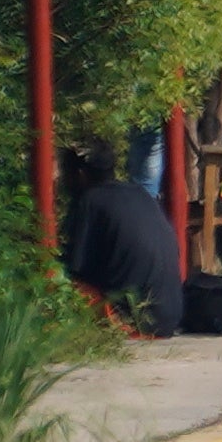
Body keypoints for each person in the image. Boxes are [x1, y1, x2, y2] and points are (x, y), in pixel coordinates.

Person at [58, 144, 184, 337]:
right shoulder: (140, 193)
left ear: (80, 174)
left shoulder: (89, 200)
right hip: (168, 319)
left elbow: (72, 270)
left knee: (61, 281)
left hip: (132, 322)